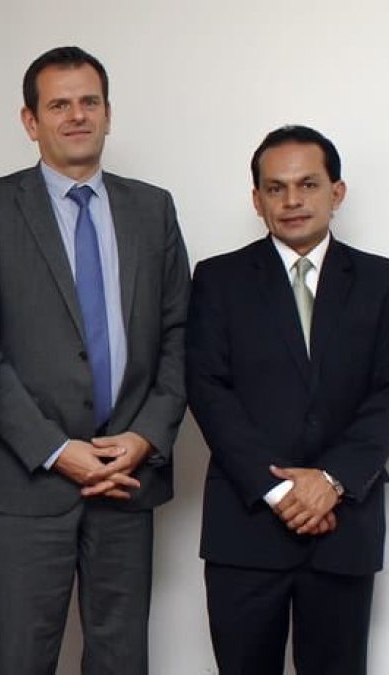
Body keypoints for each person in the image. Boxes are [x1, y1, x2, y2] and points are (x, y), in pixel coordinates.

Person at [0, 45, 190, 674]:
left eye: (89, 102)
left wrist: (145, 436)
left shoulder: (153, 208)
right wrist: (59, 450)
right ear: (30, 121)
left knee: (121, 658)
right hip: (29, 479)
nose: (76, 116)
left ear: (109, 114)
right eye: (58, 104)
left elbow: (178, 336)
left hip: (127, 475)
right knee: (24, 657)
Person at [187, 125, 389, 675]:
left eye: (308, 184)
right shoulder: (217, 279)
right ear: (257, 200)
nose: (293, 201)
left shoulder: (380, 280)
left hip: (344, 525)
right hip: (246, 529)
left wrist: (329, 481)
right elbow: (208, 389)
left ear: (336, 192)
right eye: (276, 188)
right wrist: (278, 489)